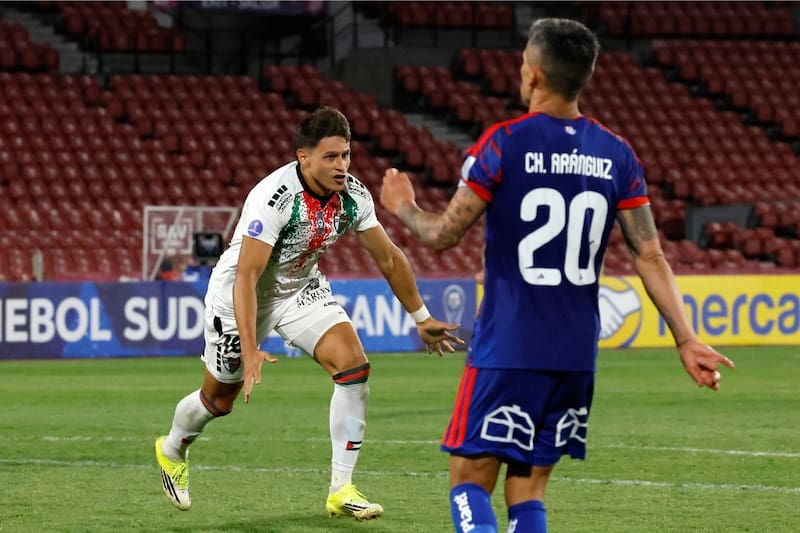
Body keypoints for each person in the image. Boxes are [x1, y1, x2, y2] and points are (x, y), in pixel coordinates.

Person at [380, 18, 735, 533]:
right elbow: (650, 254)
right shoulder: (616, 154)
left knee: (469, 479)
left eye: (525, 59)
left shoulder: (504, 143)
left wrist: (404, 206)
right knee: (527, 489)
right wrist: (686, 338)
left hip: (509, 346)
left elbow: (441, 235)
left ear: (535, 74)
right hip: (575, 354)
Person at [155, 106, 463, 520]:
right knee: (218, 400)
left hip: (299, 289)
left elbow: (389, 257)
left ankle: (341, 489)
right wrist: (250, 348)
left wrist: (421, 317)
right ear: (304, 157)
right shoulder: (274, 198)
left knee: (353, 367)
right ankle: (172, 448)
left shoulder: (353, 195)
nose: (342, 166)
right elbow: (247, 276)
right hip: (239, 298)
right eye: (331, 157)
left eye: (346, 155)